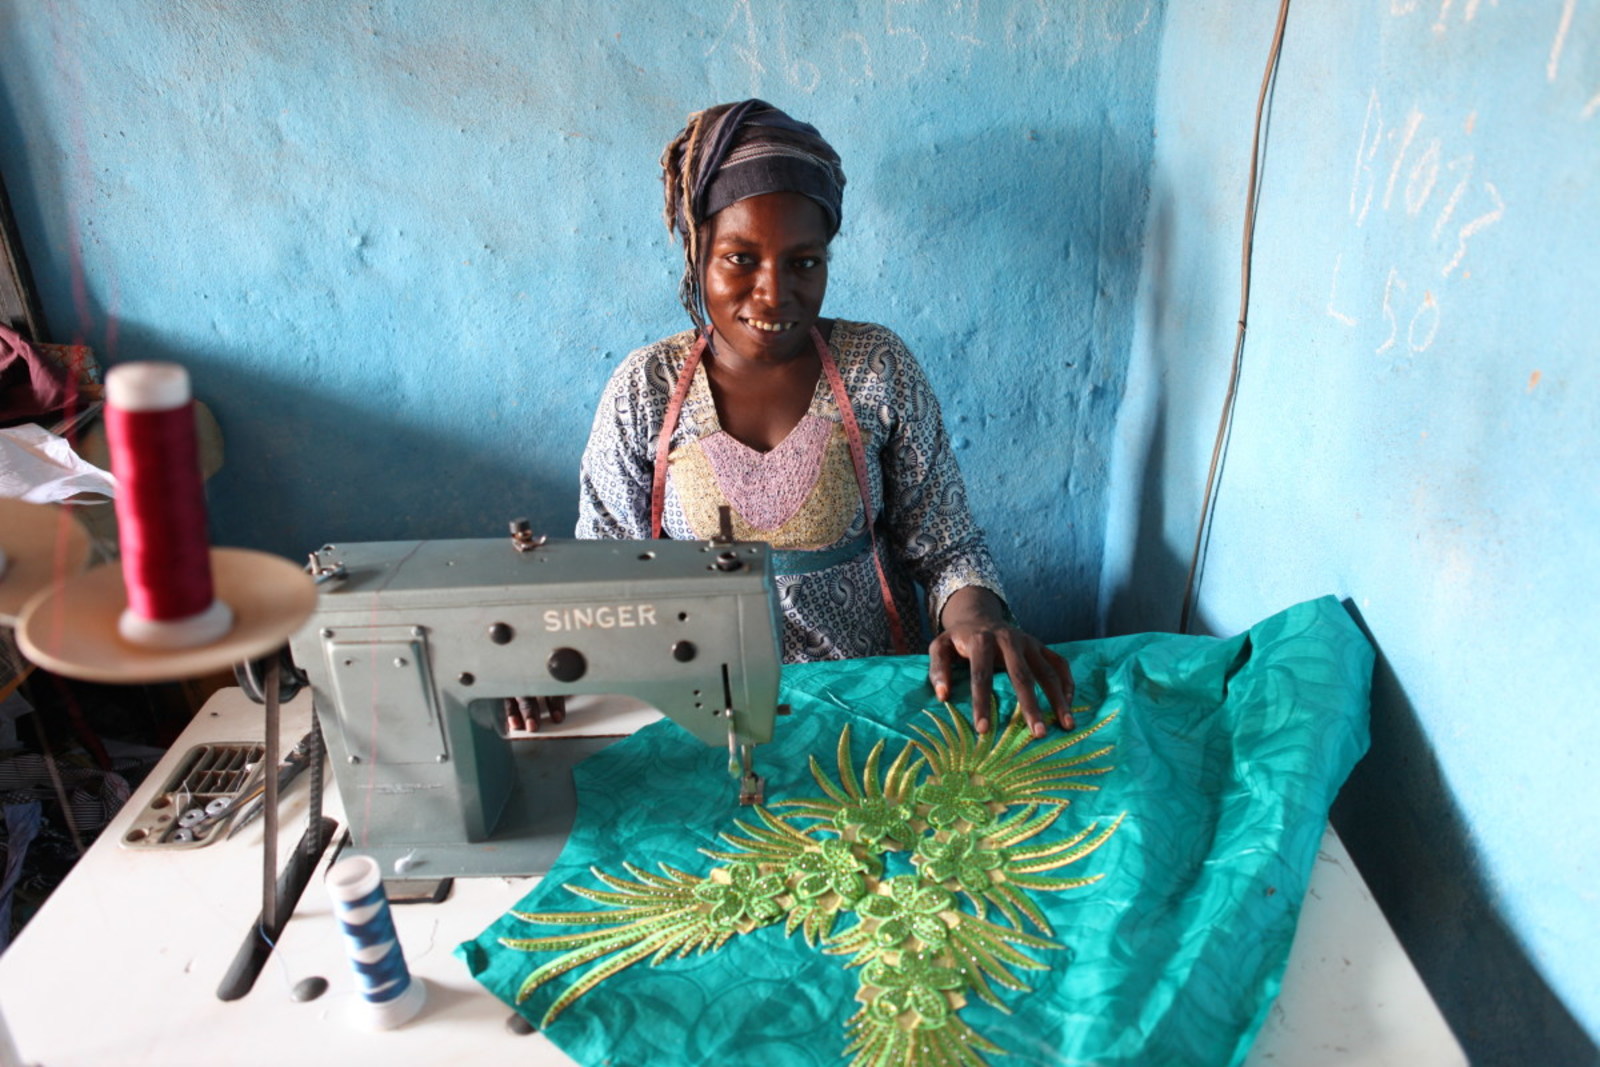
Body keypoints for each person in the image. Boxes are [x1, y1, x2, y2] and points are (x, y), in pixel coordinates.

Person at [576, 99, 1074, 739]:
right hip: (698, 711)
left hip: (870, 703)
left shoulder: (875, 365)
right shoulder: (646, 388)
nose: (774, 293)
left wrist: (974, 616)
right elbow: (600, 577)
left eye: (804, 263)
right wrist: (542, 670)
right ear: (697, 249)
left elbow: (947, 544)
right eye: (740, 258)